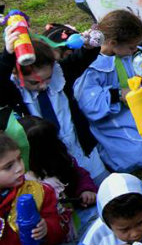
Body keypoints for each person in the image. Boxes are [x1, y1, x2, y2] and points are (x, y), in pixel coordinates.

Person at [2, 36, 107, 183]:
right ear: (16, 74)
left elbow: (82, 59)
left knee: (100, 185)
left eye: (47, 78)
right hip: (45, 161)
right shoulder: (12, 91)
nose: (43, 85)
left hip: (80, 150)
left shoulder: (61, 74)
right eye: (34, 82)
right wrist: (8, 55)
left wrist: (90, 46)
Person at [74, 10, 142, 173]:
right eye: (132, 47)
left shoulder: (129, 52)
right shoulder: (93, 66)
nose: (135, 50)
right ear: (112, 42)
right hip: (112, 120)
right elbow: (89, 103)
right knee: (140, 151)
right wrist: (117, 95)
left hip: (141, 109)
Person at [20, 117, 98, 245]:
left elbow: (79, 174)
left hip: (76, 222)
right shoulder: (25, 180)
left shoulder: (61, 160)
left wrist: (86, 190)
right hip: (54, 239)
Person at [0, 133, 68, 245]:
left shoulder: (38, 191)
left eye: (19, 158)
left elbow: (61, 227)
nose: (20, 168)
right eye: (9, 166)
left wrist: (47, 228)